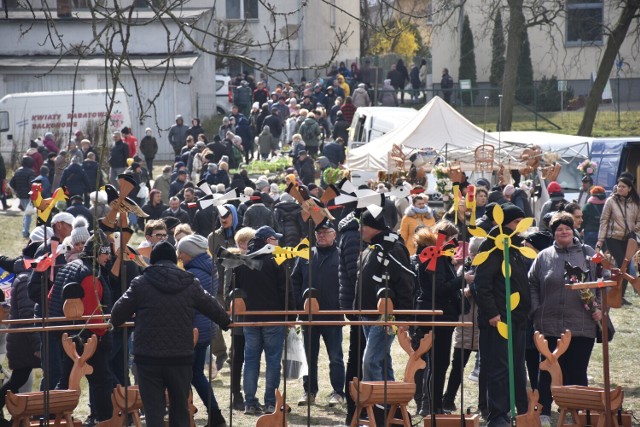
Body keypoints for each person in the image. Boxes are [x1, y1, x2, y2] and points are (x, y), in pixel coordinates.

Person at [110, 241, 230, 427]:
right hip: (180, 357)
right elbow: (212, 305)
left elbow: (117, 315)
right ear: (175, 260)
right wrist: (226, 321)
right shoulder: (190, 282)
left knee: (153, 411)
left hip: (148, 358)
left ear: (154, 261)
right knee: (180, 409)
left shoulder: (141, 283)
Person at [529, 212, 602, 427]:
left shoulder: (587, 254)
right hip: (549, 324)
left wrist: (598, 308)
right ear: (553, 233)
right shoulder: (544, 256)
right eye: (559, 229)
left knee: (577, 369)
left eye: (567, 228)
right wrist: (536, 308)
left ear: (574, 231)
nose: (564, 232)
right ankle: (544, 410)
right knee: (549, 368)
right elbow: (532, 283)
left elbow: (600, 282)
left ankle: (578, 411)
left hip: (581, 324)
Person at [474, 203, 530, 426]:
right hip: (499, 320)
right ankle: (497, 414)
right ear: (504, 223)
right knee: (498, 368)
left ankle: (518, 410)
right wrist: (492, 313)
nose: (520, 227)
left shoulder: (514, 247)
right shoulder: (493, 247)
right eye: (516, 222)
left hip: (516, 319)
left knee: (514, 366)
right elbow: (482, 283)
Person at [55, 231, 114, 425]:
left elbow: (51, 299)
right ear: (97, 252)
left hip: (66, 334)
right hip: (88, 338)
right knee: (102, 382)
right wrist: (104, 334)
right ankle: (106, 420)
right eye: (105, 253)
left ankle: (56, 419)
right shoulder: (91, 274)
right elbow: (91, 313)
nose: (108, 257)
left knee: (66, 380)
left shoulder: (68, 267)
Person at [234, 226, 294, 415]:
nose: (278, 243)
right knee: (273, 360)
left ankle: (249, 403)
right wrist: (291, 316)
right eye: (275, 239)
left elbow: (234, 291)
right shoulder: (276, 260)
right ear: (268, 241)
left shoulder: (242, 261)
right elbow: (287, 291)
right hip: (273, 318)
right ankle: (270, 403)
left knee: (250, 360)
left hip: (249, 319)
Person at [354, 208, 414, 382]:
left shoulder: (393, 249)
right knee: (382, 360)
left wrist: (404, 316)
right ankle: (389, 406)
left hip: (386, 316)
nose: (360, 230)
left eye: (363, 226)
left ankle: (377, 405)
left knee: (371, 361)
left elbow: (406, 283)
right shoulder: (372, 248)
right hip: (368, 314)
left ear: (374, 226)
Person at [414, 221, 466, 415]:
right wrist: (462, 280)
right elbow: (439, 288)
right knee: (437, 362)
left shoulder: (438, 256)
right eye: (453, 240)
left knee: (439, 362)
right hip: (435, 314)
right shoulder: (434, 256)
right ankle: (431, 406)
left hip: (440, 314)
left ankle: (434, 405)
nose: (455, 245)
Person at [291, 223, 345, 407]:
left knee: (335, 357)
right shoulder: (305, 253)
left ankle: (338, 392)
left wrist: (342, 304)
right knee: (308, 357)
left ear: (334, 234)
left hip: (333, 315)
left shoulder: (341, 255)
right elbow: (294, 281)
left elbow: (347, 282)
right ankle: (309, 391)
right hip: (309, 317)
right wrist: (300, 305)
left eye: (325, 232)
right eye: (318, 232)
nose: (321, 236)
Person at [176, 235, 227, 427]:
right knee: (196, 374)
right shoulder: (208, 268)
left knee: (187, 375)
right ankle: (215, 416)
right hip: (206, 327)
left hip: (194, 330)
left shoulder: (193, 275)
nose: (179, 256)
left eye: (182, 252)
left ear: (190, 253)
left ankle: (194, 416)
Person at [596, 174, 640, 305]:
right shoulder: (610, 201)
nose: (620, 189)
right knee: (622, 264)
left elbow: (639, 220)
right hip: (612, 237)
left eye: (623, 187)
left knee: (624, 267)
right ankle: (616, 295)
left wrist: (634, 230)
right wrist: (600, 241)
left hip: (629, 239)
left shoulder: (635, 202)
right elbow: (603, 221)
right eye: (619, 186)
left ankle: (618, 295)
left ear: (629, 188)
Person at [9, 156, 36, 238]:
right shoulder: (31, 172)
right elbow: (32, 184)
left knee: (26, 213)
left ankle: (25, 230)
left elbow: (11, 183)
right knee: (28, 214)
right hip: (28, 195)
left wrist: (17, 190)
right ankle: (25, 232)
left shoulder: (18, 171)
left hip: (20, 195)